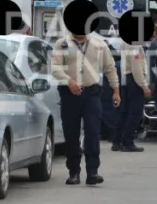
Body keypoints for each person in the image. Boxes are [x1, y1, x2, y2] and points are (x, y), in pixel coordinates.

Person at [51, 28, 121, 185]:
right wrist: (69, 81)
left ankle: (92, 172)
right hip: (69, 94)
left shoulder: (99, 44)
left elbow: (110, 68)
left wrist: (116, 91)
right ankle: (74, 172)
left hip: (92, 93)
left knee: (93, 131)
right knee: (71, 133)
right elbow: (55, 68)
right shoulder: (61, 44)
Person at [113, 41, 150, 152]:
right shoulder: (135, 45)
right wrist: (144, 86)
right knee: (135, 113)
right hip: (134, 80)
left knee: (124, 112)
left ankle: (116, 141)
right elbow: (136, 68)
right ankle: (127, 142)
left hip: (126, 78)